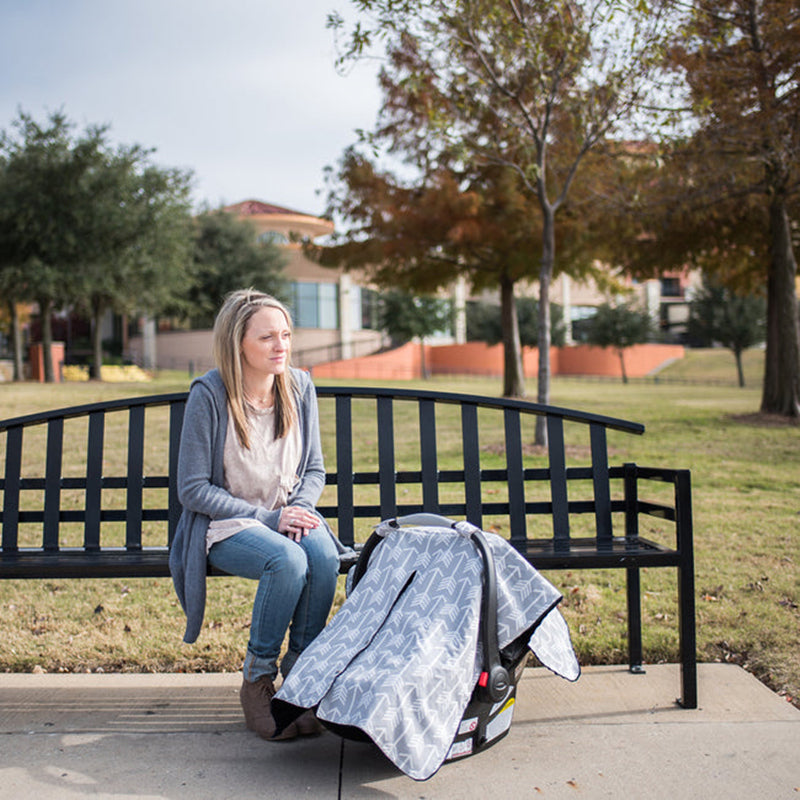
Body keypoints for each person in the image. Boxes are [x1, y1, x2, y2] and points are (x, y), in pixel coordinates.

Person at [169, 289, 344, 741]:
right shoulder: (210, 395)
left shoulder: (300, 387)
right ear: (238, 344)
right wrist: (271, 521)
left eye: (285, 334)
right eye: (267, 337)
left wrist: (300, 508)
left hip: (289, 512)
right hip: (229, 523)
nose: (281, 345)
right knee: (286, 560)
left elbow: (314, 468)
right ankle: (257, 680)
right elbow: (192, 489)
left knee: (322, 557)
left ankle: (302, 678)